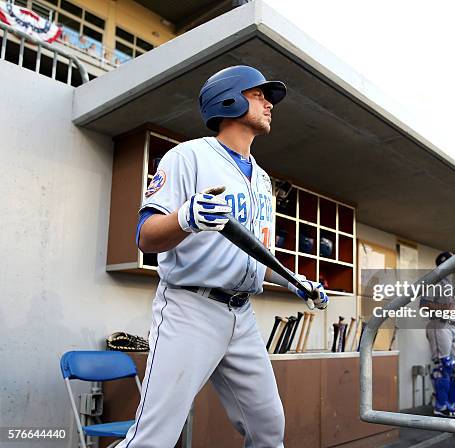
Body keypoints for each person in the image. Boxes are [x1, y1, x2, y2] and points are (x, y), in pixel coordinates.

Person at [117, 65, 328, 448]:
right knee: (155, 437)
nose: (269, 103)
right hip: (190, 308)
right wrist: (186, 217)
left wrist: (299, 283)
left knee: (268, 429)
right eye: (260, 94)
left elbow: (260, 255)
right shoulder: (188, 157)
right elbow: (145, 237)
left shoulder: (263, 179)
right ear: (229, 97)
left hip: (242, 315)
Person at [421, 251, 455, 418]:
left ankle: (451, 402)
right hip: (439, 325)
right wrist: (443, 309)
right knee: (444, 365)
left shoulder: (449, 283)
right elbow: (423, 305)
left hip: (453, 328)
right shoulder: (434, 280)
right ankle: (440, 405)